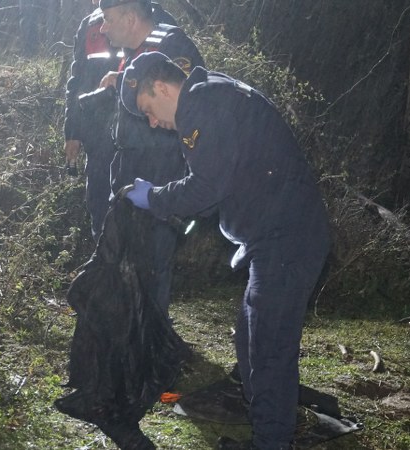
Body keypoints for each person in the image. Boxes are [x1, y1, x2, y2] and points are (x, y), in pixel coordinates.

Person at [119, 51, 332, 450]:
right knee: (251, 343)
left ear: (162, 87)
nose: (152, 122)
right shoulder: (213, 90)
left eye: (148, 109)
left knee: (269, 351)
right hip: (274, 238)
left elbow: (205, 187)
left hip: (286, 239)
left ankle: (271, 443)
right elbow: (225, 176)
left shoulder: (201, 104)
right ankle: (266, 433)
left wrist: (154, 199)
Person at [97, 0, 204, 317]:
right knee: (126, 254)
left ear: (130, 18)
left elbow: (192, 105)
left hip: (161, 169)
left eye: (108, 19)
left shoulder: (172, 43)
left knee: (155, 258)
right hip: (128, 166)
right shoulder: (130, 51)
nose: (102, 27)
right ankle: (129, 329)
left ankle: (152, 339)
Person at [64, 0, 176, 240]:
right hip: (99, 135)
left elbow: (173, 84)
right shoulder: (91, 25)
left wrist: (124, 80)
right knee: (101, 207)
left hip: (146, 139)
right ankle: (104, 262)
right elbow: (78, 80)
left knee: (148, 223)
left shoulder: (156, 21)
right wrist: (72, 130)